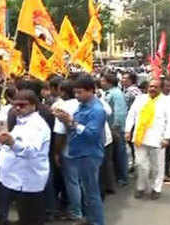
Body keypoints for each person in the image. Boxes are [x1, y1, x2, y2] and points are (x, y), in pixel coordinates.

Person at [55, 74, 106, 225]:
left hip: (89, 154)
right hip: (78, 152)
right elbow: (74, 126)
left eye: (80, 92)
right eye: (75, 92)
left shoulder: (97, 110)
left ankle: (97, 221)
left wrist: (72, 122)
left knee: (92, 193)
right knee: (86, 190)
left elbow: (92, 134)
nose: (77, 96)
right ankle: (89, 218)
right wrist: (65, 119)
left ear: (91, 90)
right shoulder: (81, 106)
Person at [0, 90, 51, 225]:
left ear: (34, 105)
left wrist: (11, 143)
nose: (18, 108)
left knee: (31, 218)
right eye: (15, 105)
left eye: (22, 105)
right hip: (15, 179)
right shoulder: (21, 122)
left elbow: (30, 151)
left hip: (27, 181)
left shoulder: (37, 125)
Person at [125, 79, 170, 200]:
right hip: (139, 137)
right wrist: (128, 130)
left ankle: (156, 188)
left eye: (155, 87)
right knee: (140, 164)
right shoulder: (140, 99)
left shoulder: (168, 101)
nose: (152, 89)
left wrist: (167, 137)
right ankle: (141, 187)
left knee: (157, 167)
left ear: (161, 88)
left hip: (158, 139)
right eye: (151, 86)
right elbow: (131, 115)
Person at [101, 74, 129, 186]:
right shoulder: (108, 93)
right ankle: (118, 176)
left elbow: (120, 112)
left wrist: (115, 127)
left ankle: (123, 177)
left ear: (109, 82)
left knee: (120, 153)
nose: (101, 83)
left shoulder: (116, 94)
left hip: (116, 129)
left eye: (103, 81)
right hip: (110, 128)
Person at [121, 72, 142, 171]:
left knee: (134, 144)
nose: (123, 80)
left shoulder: (133, 91)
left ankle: (137, 163)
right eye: (122, 78)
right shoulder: (126, 91)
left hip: (134, 121)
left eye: (125, 78)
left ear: (131, 80)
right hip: (130, 121)